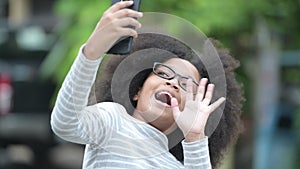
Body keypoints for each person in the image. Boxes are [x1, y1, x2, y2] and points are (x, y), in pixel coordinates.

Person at [51, 1, 243, 169]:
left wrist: (194, 138)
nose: (173, 83)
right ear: (138, 90)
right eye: (163, 73)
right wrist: (92, 51)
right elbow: (65, 124)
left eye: (186, 85)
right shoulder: (112, 121)